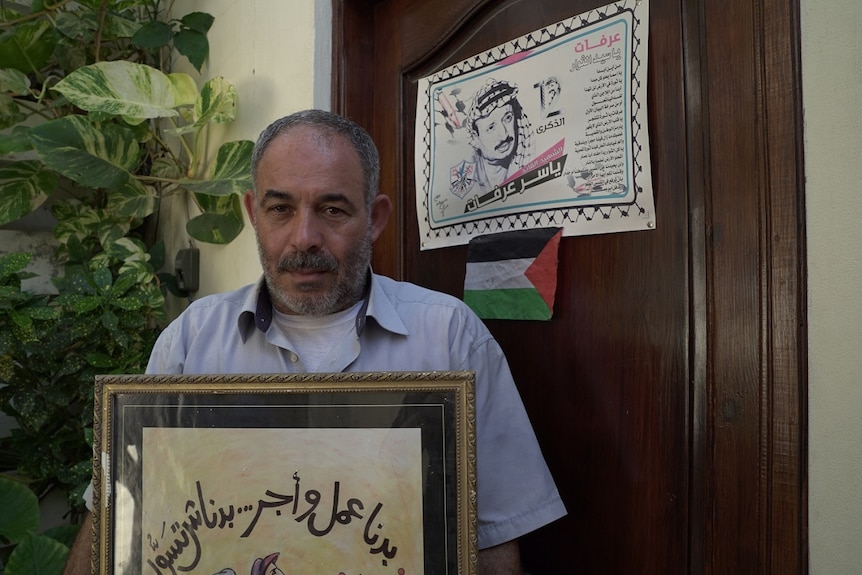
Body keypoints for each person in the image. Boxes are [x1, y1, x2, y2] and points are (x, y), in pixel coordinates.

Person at [63, 109, 565, 575]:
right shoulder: (193, 340)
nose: (304, 238)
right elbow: (117, 513)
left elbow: (495, 535)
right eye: (280, 208)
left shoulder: (450, 336)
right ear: (253, 214)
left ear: (375, 218)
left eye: (332, 209)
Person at [467, 78, 535, 192]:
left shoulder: (526, 164)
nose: (504, 135)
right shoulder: (470, 181)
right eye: (491, 127)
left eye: (508, 118)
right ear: (476, 138)